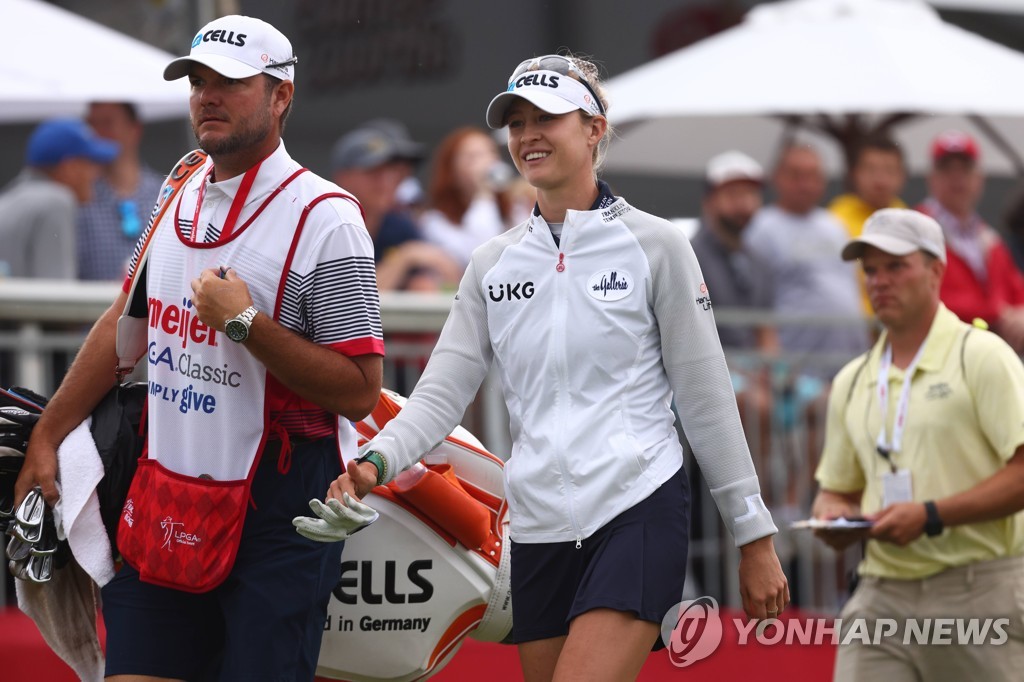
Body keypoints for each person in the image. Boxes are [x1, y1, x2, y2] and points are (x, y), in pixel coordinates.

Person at [319, 53, 788, 682]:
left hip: (637, 505)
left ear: (594, 129)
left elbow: (705, 398)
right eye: (516, 122)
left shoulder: (659, 245)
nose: (528, 134)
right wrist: (372, 464)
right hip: (535, 525)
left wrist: (753, 535)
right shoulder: (492, 262)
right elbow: (437, 398)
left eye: (548, 117)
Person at [14, 15, 384, 681]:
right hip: (166, 484)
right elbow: (126, 323)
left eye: (232, 83)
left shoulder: (328, 216)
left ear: (281, 96)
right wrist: (50, 432)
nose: (208, 96)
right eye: (198, 80)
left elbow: (359, 388)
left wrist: (246, 325)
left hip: (283, 503)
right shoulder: (179, 183)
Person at [812, 208, 1024, 681]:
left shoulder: (983, 356)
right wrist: (833, 516)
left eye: (895, 265)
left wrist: (930, 515)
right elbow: (837, 488)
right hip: (881, 590)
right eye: (870, 270)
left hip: (979, 587)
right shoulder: (853, 378)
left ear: (936, 271)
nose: (878, 281)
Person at [746, 143, 869, 378]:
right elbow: (756, 304)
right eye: (796, 175)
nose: (805, 184)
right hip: (797, 372)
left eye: (813, 175)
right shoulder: (761, 229)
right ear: (777, 178)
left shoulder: (834, 224)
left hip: (849, 364)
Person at [690, 150, 776, 471]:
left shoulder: (759, 261)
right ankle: (749, 507)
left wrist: (771, 373)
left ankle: (789, 506)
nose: (744, 203)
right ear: (709, 200)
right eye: (734, 193)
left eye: (751, 194)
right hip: (707, 375)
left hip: (755, 373)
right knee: (757, 407)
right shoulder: (689, 254)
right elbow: (691, 335)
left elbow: (767, 330)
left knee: (823, 402)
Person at [916, 130, 1024, 352]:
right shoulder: (917, 230)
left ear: (979, 178)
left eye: (964, 169)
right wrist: (1000, 313)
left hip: (983, 353)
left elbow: (1016, 288)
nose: (957, 178)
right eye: (947, 169)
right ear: (932, 179)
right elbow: (926, 296)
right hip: (940, 353)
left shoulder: (987, 237)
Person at [331, 122, 461, 291]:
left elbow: (448, 277)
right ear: (344, 177)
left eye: (389, 172)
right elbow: (348, 299)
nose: (385, 182)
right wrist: (403, 258)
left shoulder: (397, 224)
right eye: (373, 172)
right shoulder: (329, 223)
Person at [0, 119, 117, 279]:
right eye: (92, 163)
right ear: (70, 167)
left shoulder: (9, 199)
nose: (97, 174)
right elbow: (55, 295)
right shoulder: (56, 202)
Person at [419, 126, 532, 269]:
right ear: (452, 170)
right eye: (472, 157)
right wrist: (483, 194)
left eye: (490, 153)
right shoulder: (435, 221)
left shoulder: (514, 207)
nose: (486, 163)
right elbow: (482, 256)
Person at [77, 102, 167, 281]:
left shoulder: (166, 193)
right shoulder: (80, 196)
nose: (97, 133)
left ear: (135, 130)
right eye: (91, 124)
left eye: (107, 123)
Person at [829, 136, 908, 314]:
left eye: (889, 170)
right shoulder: (835, 218)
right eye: (871, 170)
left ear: (902, 176)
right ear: (854, 173)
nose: (880, 179)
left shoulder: (908, 219)